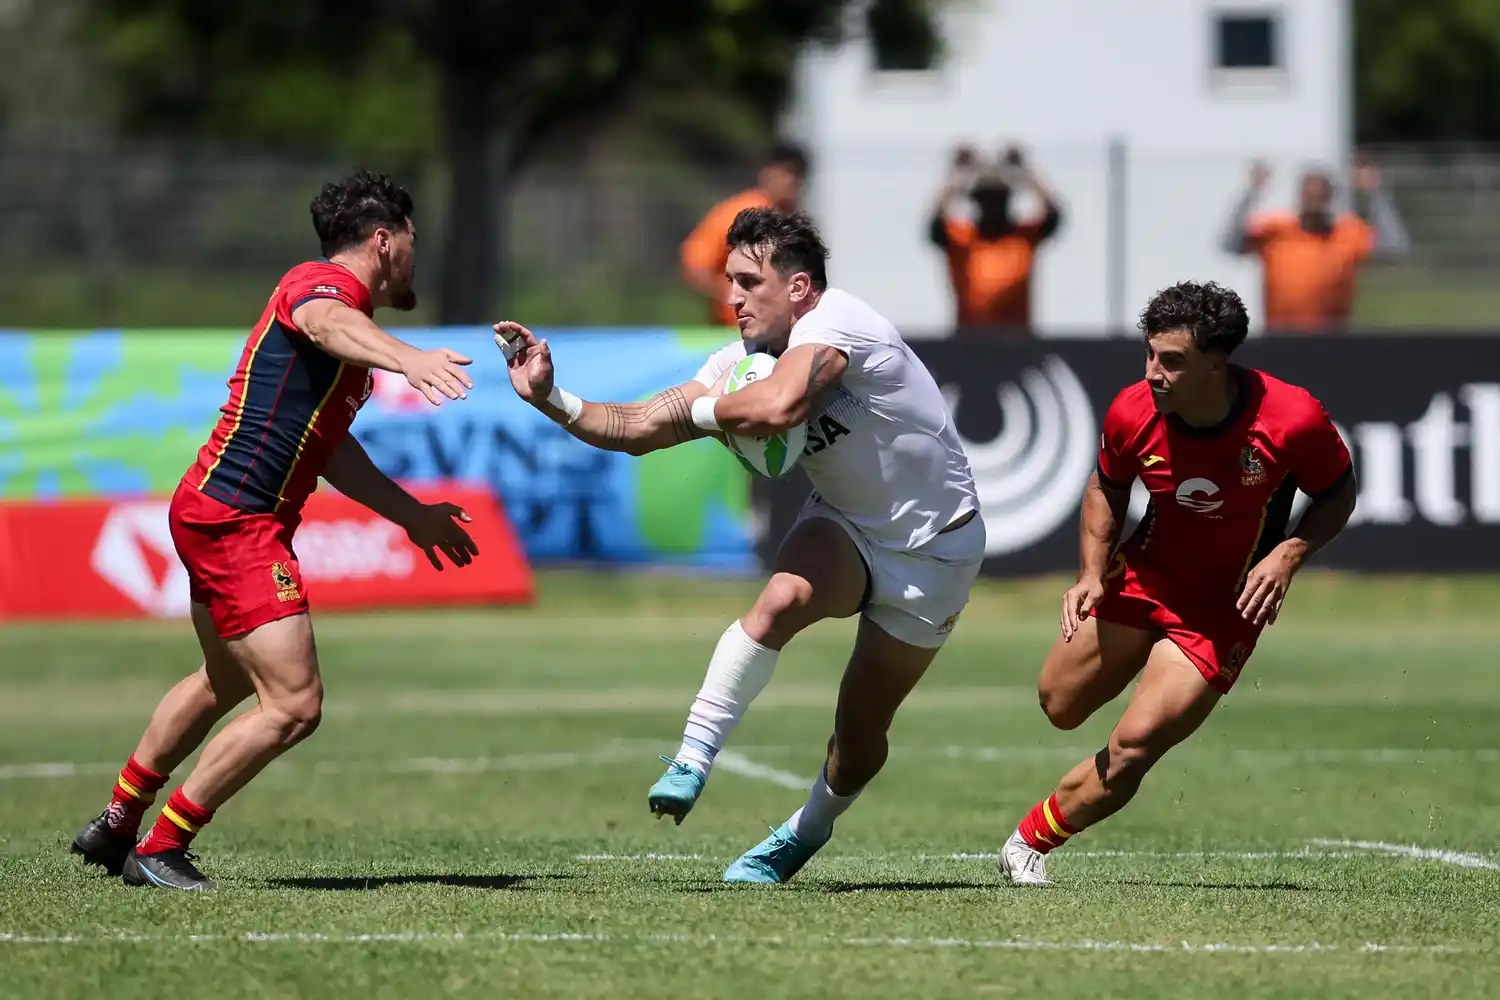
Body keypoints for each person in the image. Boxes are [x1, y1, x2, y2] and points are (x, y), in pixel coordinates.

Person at [499, 207, 984, 884]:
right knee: (780, 597)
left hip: (936, 551)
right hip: (845, 523)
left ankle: (807, 828)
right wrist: (551, 398)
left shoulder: (836, 321)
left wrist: (699, 415)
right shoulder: (739, 362)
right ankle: (691, 758)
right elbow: (639, 424)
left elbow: (780, 408)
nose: (731, 296)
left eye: (749, 281)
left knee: (859, 733)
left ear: (799, 288)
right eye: (729, 280)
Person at [69, 170, 482, 891]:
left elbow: (330, 451)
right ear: (383, 240)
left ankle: (117, 821)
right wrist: (412, 361)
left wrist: (411, 514)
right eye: (413, 241)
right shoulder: (318, 286)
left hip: (216, 510)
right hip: (237, 519)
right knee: (293, 705)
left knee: (225, 678)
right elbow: (324, 320)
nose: (418, 257)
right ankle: (162, 848)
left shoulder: (352, 337)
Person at [996, 280, 1357, 887]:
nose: (1154, 373)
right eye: (1149, 355)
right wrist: (1090, 572)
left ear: (1217, 364)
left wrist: (1290, 553)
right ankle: (1148, 657)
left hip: (1223, 608)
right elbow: (1107, 488)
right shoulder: (1131, 410)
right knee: (1059, 704)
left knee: (1135, 745)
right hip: (1143, 575)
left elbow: (1338, 492)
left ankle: (1029, 842)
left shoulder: (1291, 417)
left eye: (1172, 361)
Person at [1221, 156, 1409, 332]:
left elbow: (1393, 247)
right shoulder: (1276, 230)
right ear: (1301, 196)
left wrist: (1375, 193)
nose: (1315, 202)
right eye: (1310, 195)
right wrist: (1251, 193)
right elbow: (1232, 244)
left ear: (1330, 198)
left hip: (1333, 336)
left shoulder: (1347, 232)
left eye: (1320, 196)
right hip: (1281, 335)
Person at [928, 143, 1063, 337]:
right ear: (976, 202)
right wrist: (956, 175)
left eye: (999, 199)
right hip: (969, 341)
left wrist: (1026, 172)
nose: (993, 206)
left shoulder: (1023, 237)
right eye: (986, 199)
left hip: (1018, 340)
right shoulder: (962, 238)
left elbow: (1054, 213)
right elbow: (934, 221)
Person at [681, 143, 810, 327]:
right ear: (766, 173)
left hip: (785, 333)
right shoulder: (737, 212)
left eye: (797, 175)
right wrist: (734, 289)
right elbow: (694, 268)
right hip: (735, 332)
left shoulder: (797, 221)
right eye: (785, 173)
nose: (791, 181)